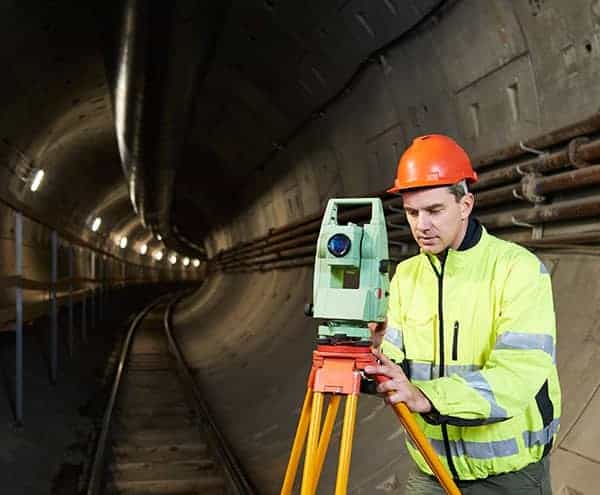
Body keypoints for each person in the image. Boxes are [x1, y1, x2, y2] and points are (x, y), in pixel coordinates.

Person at [364, 134, 561, 494]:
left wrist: (429, 398)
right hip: (431, 468)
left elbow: (517, 377)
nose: (421, 225)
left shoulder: (516, 270)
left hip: (507, 476)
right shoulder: (406, 276)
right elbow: (396, 373)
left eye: (434, 211)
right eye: (412, 212)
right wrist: (374, 351)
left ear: (465, 204)